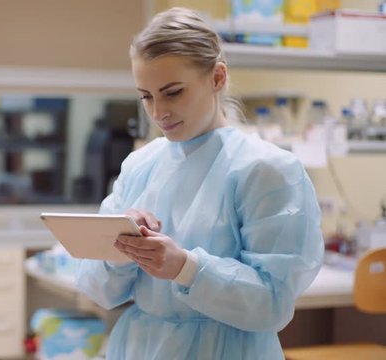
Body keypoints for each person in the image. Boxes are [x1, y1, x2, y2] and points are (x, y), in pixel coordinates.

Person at [75, 7, 324, 359]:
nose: (158, 111)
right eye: (146, 96)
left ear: (217, 78)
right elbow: (95, 289)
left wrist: (186, 268)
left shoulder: (266, 170)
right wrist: (122, 252)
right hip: (139, 347)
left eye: (173, 92)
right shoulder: (140, 165)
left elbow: (273, 304)